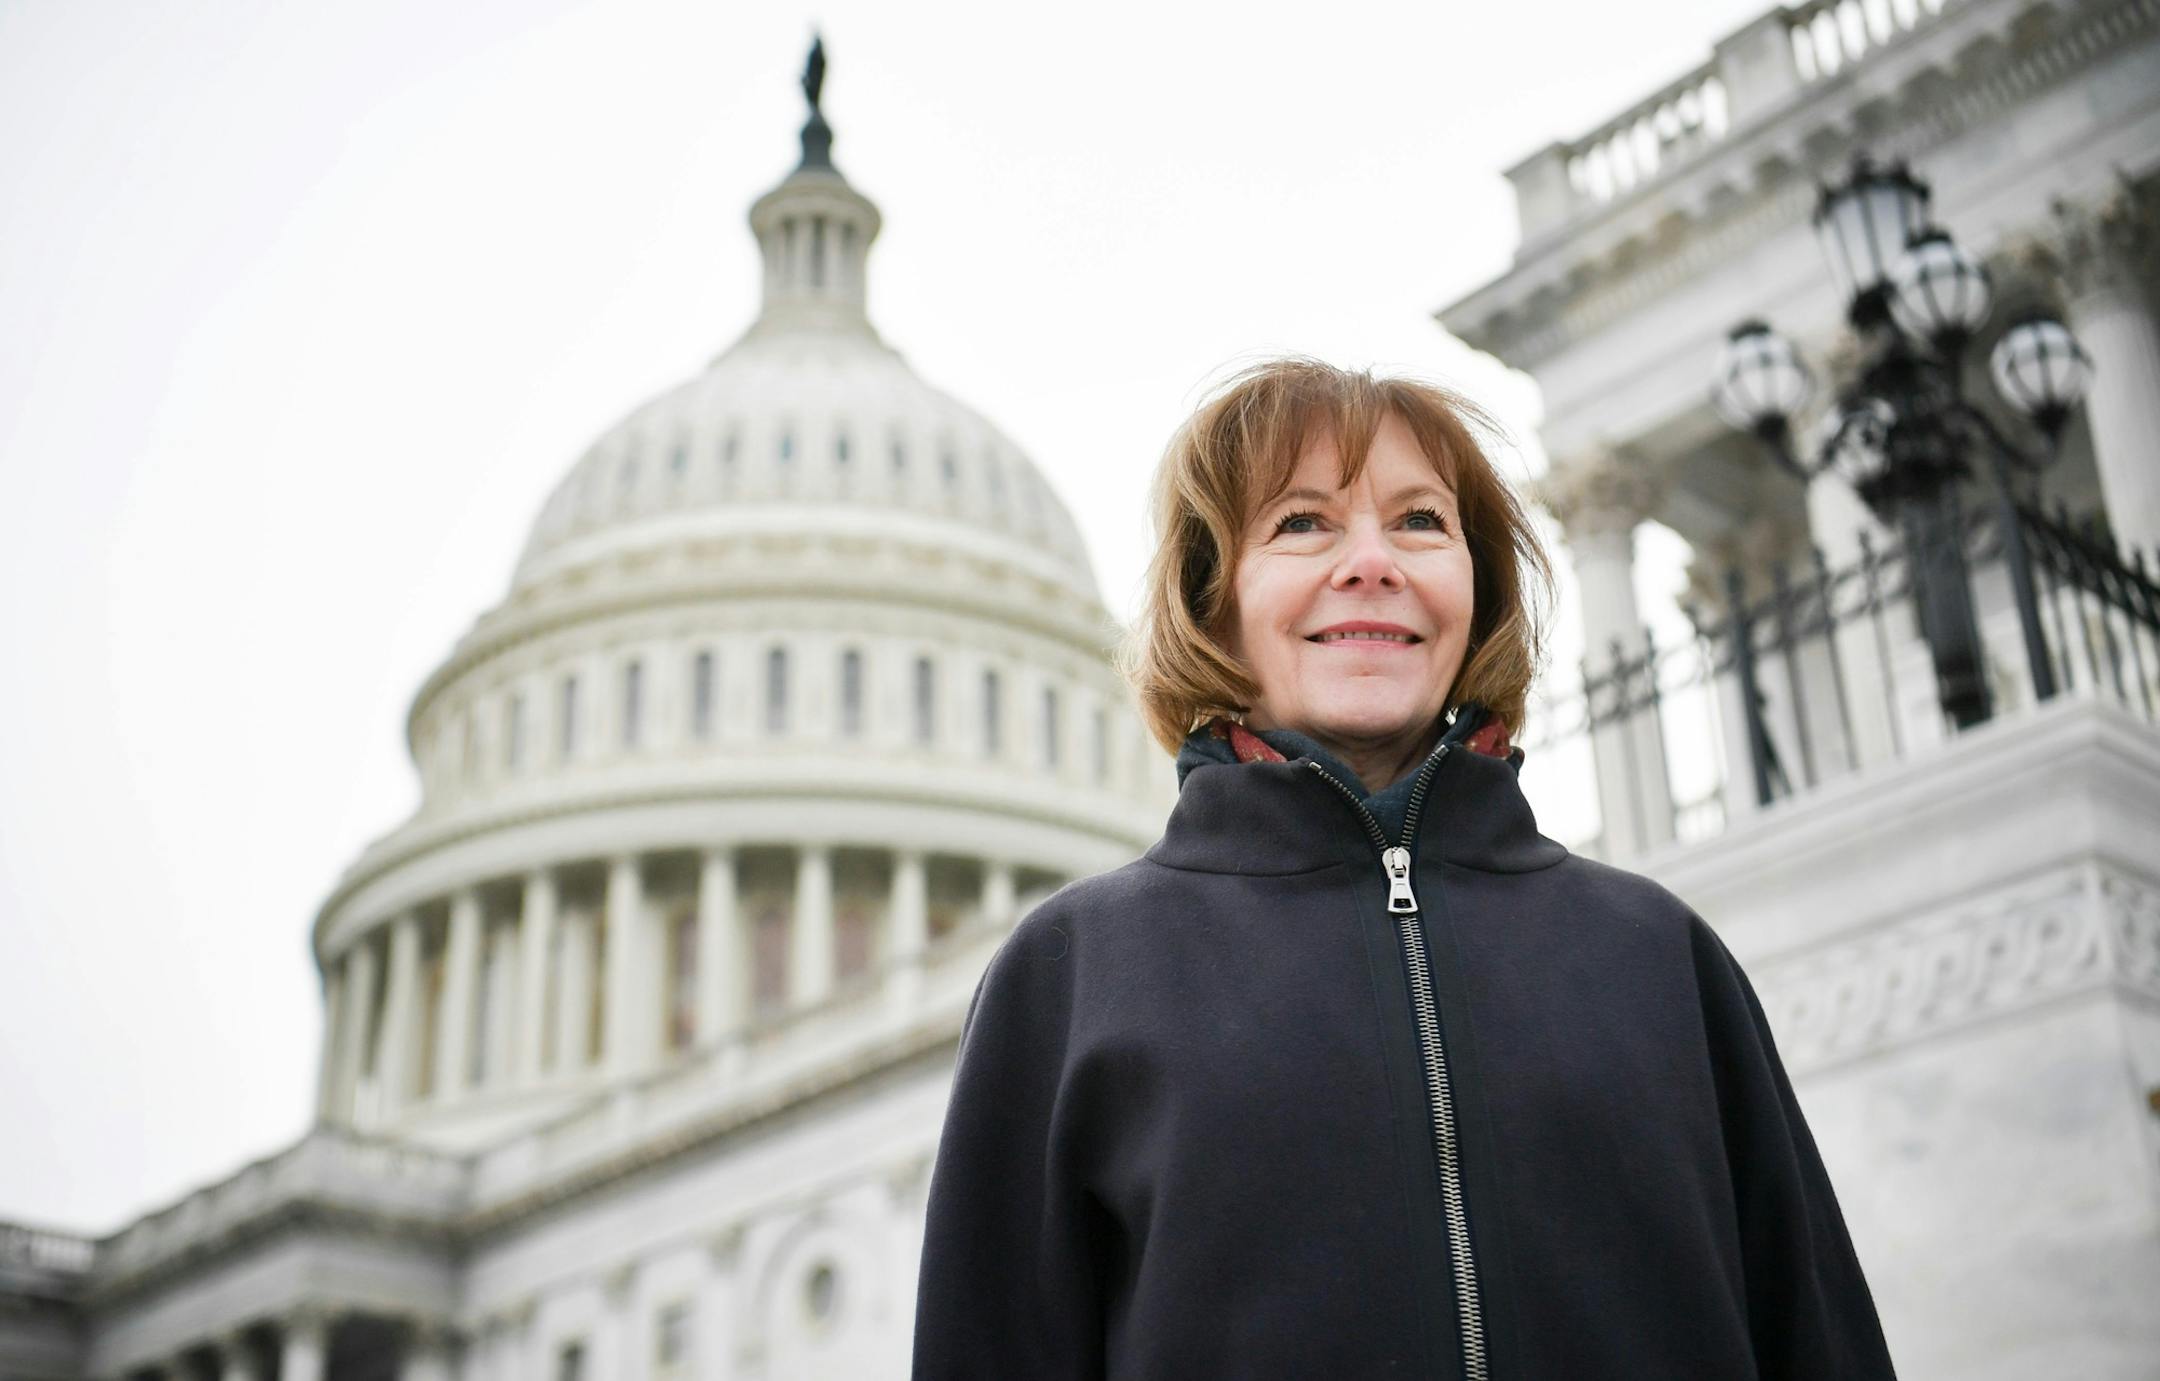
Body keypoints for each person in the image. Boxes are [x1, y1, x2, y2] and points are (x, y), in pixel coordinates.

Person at [910, 357, 1898, 1379]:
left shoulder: (1663, 955)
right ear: (1213, 605)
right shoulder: (1074, 975)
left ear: (1476, 591)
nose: (1371, 561)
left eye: (1421, 521)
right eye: (1302, 522)